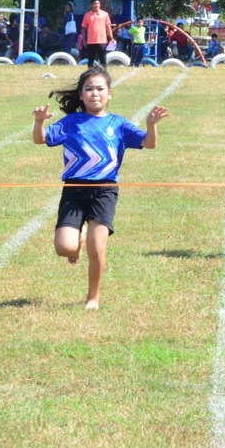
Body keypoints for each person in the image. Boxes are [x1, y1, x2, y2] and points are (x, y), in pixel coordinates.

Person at [33, 67, 169, 308]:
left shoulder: (118, 124)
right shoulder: (71, 122)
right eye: (88, 89)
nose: (94, 93)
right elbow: (40, 139)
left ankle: (93, 297)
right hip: (74, 190)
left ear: (109, 93)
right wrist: (39, 122)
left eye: (99, 88)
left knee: (97, 249)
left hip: (105, 191)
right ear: (81, 94)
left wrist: (151, 125)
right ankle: (76, 242)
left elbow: (149, 143)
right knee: (64, 248)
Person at [80, 0, 113, 68]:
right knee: (91, 59)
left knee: (102, 58)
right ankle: (90, 72)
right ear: (91, 5)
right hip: (91, 41)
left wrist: (111, 37)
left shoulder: (105, 14)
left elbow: (108, 27)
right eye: (95, 3)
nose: (97, 5)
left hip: (102, 40)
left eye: (98, 3)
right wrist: (84, 40)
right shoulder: (87, 15)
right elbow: (83, 28)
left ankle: (104, 72)